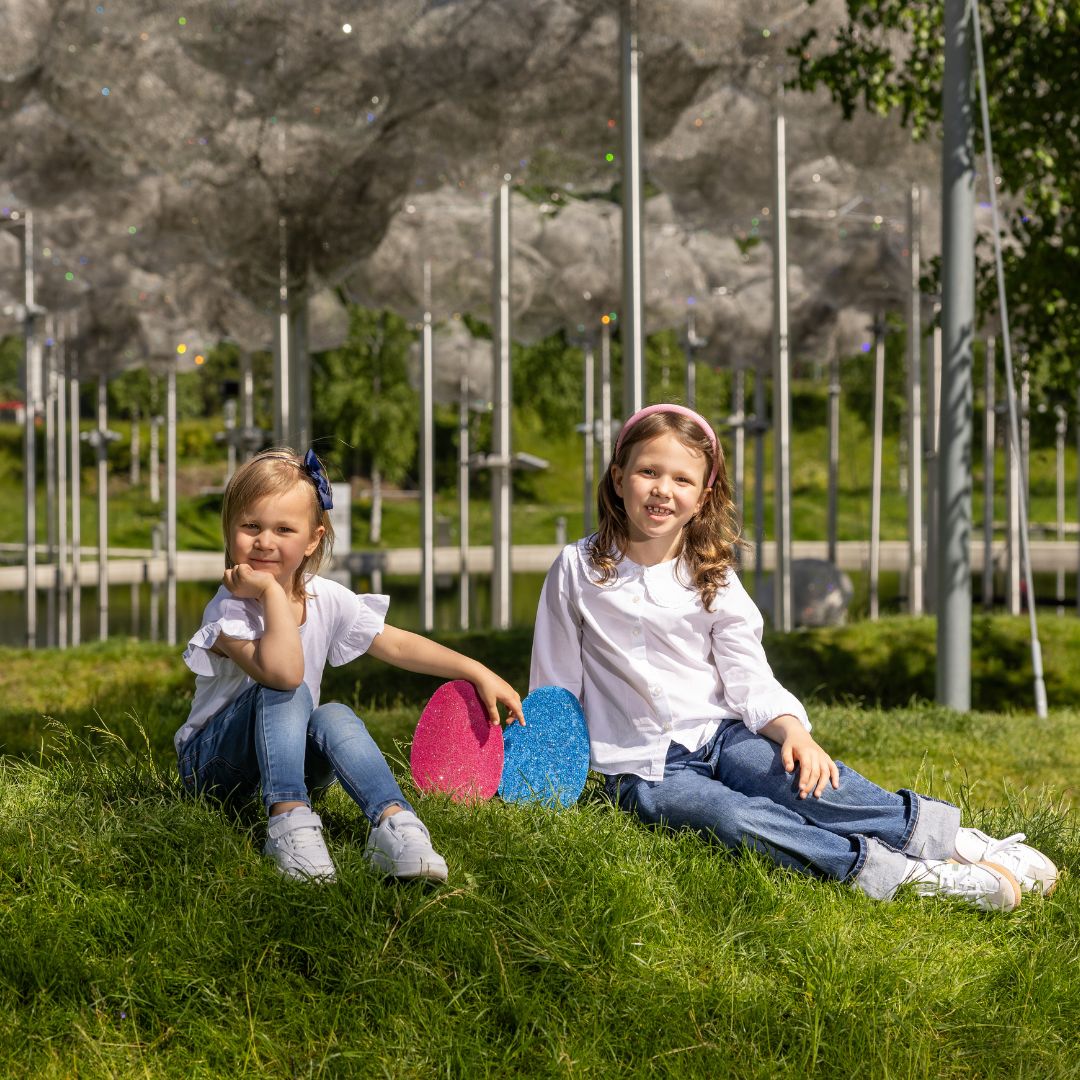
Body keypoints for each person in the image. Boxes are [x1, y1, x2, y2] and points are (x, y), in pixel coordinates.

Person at [530, 404, 1057, 909]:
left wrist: (794, 734)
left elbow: (748, 675)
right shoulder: (577, 570)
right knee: (734, 818)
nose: (663, 490)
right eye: (648, 471)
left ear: (704, 494)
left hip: (723, 735)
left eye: (682, 479)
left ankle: (952, 842)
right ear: (619, 476)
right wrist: (547, 771)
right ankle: (906, 877)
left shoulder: (712, 576)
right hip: (644, 771)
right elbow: (554, 685)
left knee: (810, 785)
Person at [177, 448, 523, 884]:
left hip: (291, 757)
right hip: (213, 768)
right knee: (290, 688)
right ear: (230, 530)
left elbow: (395, 644)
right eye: (251, 526)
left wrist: (476, 670)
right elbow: (282, 673)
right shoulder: (229, 610)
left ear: (312, 539)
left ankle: (396, 825)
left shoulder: (326, 596)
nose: (264, 541)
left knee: (335, 714)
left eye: (284, 529)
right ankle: (289, 821)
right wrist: (266, 590)